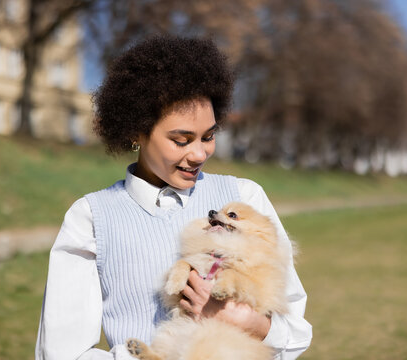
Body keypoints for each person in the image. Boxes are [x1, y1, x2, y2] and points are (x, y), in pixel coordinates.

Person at [35, 35, 312, 360]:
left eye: (208, 137)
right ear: (137, 132)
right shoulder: (91, 219)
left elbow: (295, 333)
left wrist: (251, 322)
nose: (199, 153)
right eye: (181, 140)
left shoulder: (243, 198)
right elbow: (61, 354)